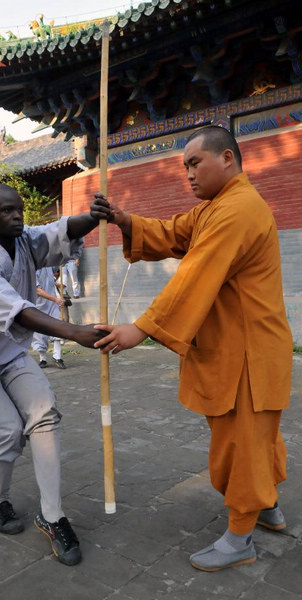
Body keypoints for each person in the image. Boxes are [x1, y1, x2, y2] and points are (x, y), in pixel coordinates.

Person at [93, 126, 293, 572]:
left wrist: (140, 328)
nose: (187, 174)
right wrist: (127, 221)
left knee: (243, 443)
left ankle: (241, 536)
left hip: (250, 353)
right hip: (237, 349)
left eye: (194, 163)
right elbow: (173, 233)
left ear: (227, 158)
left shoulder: (238, 210)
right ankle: (267, 508)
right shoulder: (214, 210)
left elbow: (194, 274)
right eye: (184, 166)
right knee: (256, 438)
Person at [0, 183, 108, 567]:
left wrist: (94, 217)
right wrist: (75, 332)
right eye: (5, 211)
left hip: (10, 351)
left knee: (45, 412)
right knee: (6, 429)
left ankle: (52, 516)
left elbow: (63, 230)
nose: (16, 216)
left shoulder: (26, 239)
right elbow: (18, 312)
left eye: (19, 209)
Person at [32, 267, 67, 369]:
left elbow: (55, 273)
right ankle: (42, 359)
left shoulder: (48, 266)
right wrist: (56, 299)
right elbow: (38, 290)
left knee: (58, 327)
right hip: (37, 305)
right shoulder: (32, 269)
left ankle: (57, 356)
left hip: (52, 304)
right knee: (39, 333)